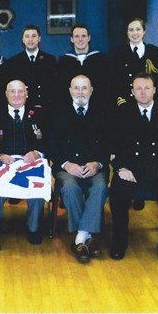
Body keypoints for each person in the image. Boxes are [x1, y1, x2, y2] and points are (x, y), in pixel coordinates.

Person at [109, 73, 158, 266]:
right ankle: (120, 241)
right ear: (132, 92)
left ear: (154, 90)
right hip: (132, 171)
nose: (143, 92)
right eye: (138, 89)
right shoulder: (122, 113)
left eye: (147, 88)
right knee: (118, 192)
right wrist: (120, 167)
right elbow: (113, 145)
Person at [49, 75, 109, 264]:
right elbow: (52, 145)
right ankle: (88, 236)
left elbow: (109, 145)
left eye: (85, 88)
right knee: (69, 187)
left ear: (91, 91)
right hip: (67, 167)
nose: (81, 92)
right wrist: (67, 164)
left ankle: (80, 237)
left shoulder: (103, 113)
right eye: (77, 88)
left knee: (100, 187)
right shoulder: (58, 113)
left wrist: (97, 163)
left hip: (94, 167)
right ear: (70, 91)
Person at [0, 80, 47, 251]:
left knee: (37, 187)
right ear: (6, 94)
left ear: (27, 93)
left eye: (20, 91)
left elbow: (48, 142)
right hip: (3, 162)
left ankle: (34, 229)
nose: (17, 95)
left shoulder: (38, 114)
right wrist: (0, 156)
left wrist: (37, 153)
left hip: (30, 162)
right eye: (13, 91)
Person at [111, 18, 158, 211]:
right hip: (127, 106)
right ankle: (131, 185)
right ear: (127, 33)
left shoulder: (154, 52)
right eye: (130, 30)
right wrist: (123, 102)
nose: (134, 33)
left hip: (149, 104)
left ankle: (144, 187)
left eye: (137, 29)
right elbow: (115, 81)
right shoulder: (119, 53)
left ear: (144, 31)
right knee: (128, 145)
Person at [0, 25, 57, 111]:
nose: (30, 40)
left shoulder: (50, 60)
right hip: (24, 110)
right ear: (22, 40)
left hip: (46, 109)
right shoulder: (13, 62)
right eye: (27, 36)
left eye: (34, 36)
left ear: (39, 38)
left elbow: (54, 88)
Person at [56, 24, 112, 110]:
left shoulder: (101, 59)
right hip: (70, 110)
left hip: (97, 108)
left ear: (89, 38)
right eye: (76, 36)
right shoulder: (63, 61)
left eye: (83, 36)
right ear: (72, 39)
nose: (80, 39)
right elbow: (61, 89)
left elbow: (106, 87)